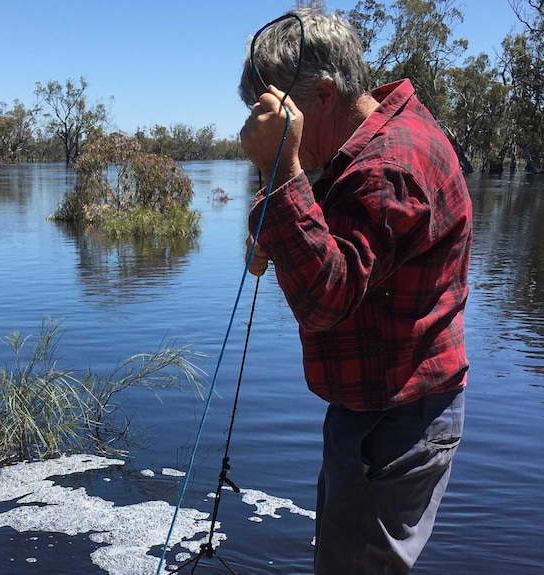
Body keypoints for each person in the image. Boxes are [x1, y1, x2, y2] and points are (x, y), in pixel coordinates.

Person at [238, 7, 472, 575]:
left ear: (321, 93)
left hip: (395, 423)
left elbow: (327, 301)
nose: (263, 126)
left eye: (276, 112)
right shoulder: (379, 143)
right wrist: (274, 220)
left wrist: (282, 170)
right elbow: (346, 247)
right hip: (384, 411)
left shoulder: (386, 166)